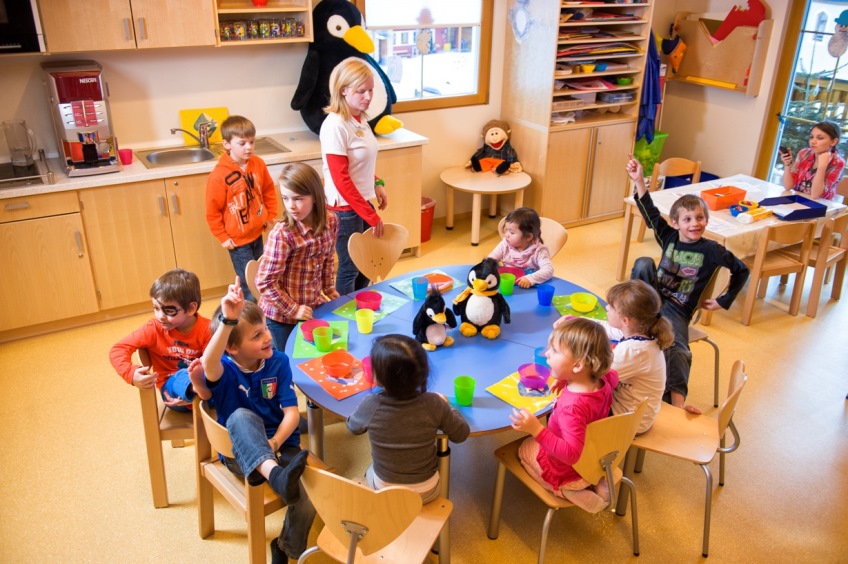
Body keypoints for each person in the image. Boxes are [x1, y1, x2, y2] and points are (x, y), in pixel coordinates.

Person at [199, 276, 314, 562]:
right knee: (240, 416)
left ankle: (286, 547)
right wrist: (228, 321)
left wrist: (274, 443)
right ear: (232, 348)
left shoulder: (278, 361)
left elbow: (291, 414)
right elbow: (207, 363)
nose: (268, 338)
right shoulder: (223, 368)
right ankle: (275, 475)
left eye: (266, 329)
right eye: (257, 336)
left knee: (310, 494)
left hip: (281, 444)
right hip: (241, 455)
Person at [626, 155, 749, 414]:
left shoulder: (712, 249)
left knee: (678, 350)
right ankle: (630, 309)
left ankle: (677, 405)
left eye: (700, 218)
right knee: (644, 262)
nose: (695, 224)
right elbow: (650, 214)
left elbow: (741, 270)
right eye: (688, 219)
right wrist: (639, 182)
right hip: (652, 297)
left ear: (706, 220)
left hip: (677, 309)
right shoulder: (669, 236)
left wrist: (723, 300)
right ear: (676, 223)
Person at [509, 317, 618, 513]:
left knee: (524, 449)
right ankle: (596, 480)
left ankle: (567, 489)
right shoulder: (603, 379)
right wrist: (568, 379)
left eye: (555, 350)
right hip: (594, 456)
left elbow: (570, 454)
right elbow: (614, 376)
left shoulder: (572, 408)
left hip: (568, 468)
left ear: (578, 366)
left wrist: (536, 429)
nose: (547, 353)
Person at [346, 334, 470, 503]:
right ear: (423, 371)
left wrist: (361, 412)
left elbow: (352, 427)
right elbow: (461, 434)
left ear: (379, 377)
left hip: (385, 490)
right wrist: (447, 406)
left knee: (369, 470)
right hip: (427, 491)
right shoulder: (434, 403)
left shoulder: (371, 404)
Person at [555, 280, 672, 434]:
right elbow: (607, 328)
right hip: (630, 408)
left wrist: (564, 369)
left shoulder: (634, 351)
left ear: (625, 321)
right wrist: (578, 321)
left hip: (625, 419)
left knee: (565, 407)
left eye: (611, 306)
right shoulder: (643, 330)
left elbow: (591, 375)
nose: (606, 308)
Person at [320, 57, 388, 294]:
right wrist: (371, 216)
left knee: (365, 263)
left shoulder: (360, 118)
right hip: (344, 208)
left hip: (360, 201)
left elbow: (361, 162)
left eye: (371, 90)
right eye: (361, 91)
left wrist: (377, 183)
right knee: (350, 267)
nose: (368, 97)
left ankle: (361, 303)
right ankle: (346, 310)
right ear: (343, 90)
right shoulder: (335, 126)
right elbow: (341, 179)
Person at [256, 162, 340, 351]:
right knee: (290, 360)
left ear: (315, 196)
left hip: (311, 306)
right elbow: (264, 283)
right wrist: (294, 310)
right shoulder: (282, 234)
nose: (291, 206)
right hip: (281, 317)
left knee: (317, 354)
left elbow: (327, 257)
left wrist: (328, 287)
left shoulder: (331, 221)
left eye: (298, 199)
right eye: (285, 198)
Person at [109, 268, 211, 411]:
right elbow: (118, 349)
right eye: (156, 308)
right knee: (186, 375)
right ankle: (196, 388)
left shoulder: (208, 329)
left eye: (168, 311)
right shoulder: (153, 328)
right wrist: (131, 374)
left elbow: (213, 365)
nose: (160, 316)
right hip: (172, 392)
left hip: (207, 390)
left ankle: (202, 390)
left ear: (190, 308)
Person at [206, 115, 279, 302]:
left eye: (251, 142)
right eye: (242, 143)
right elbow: (212, 211)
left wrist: (270, 215)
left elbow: (269, 190)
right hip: (238, 241)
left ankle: (261, 311)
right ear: (227, 144)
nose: (249, 147)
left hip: (257, 233)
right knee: (248, 283)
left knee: (261, 276)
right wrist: (222, 237)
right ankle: (249, 314)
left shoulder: (258, 164)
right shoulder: (218, 175)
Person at [488, 206, 554, 288]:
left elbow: (549, 270)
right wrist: (487, 267)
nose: (507, 235)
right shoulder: (505, 244)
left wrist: (530, 279)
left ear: (528, 236)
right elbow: (491, 259)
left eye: (512, 232)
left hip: (527, 289)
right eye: (506, 230)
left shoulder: (539, 251)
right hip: (507, 285)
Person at [780, 120, 844, 200]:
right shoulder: (804, 153)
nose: (813, 141)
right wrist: (787, 165)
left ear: (833, 142)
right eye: (811, 137)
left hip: (820, 204)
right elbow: (788, 186)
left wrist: (822, 167)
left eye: (820, 138)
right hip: (798, 199)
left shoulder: (837, 162)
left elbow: (815, 195)